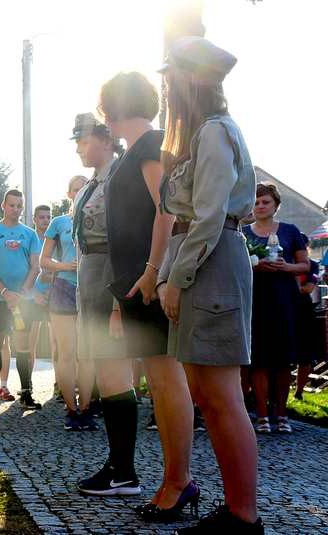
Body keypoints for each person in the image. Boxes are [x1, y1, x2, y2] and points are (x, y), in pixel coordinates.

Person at [156, 36, 263, 533]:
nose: (165, 86)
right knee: (205, 392)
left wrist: (176, 280)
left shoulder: (216, 132)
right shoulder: (199, 134)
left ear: (192, 79)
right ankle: (236, 512)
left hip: (211, 263)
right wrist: (170, 276)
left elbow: (210, 216)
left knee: (221, 397)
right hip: (199, 262)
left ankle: (244, 517)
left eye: (171, 76)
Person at [94, 71, 196, 517]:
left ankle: (179, 483)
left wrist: (153, 272)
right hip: (135, 283)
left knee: (166, 380)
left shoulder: (151, 144)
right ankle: (173, 482)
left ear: (114, 108)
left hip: (148, 281)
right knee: (157, 382)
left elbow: (165, 211)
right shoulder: (136, 149)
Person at [66, 112, 141, 496]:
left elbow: (123, 242)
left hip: (111, 282)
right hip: (91, 281)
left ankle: (123, 471)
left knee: (115, 376)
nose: (79, 148)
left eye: (84, 140)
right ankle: (117, 466)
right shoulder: (93, 183)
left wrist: (116, 305)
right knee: (107, 376)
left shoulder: (120, 178)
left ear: (106, 139)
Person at [242, 183, 309, 434]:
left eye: (265, 202)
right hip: (255, 301)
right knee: (258, 359)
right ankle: (262, 415)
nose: (260, 206)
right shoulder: (242, 233)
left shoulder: (290, 231)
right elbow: (235, 266)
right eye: (256, 202)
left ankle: (282, 414)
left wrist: (286, 267)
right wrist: (254, 266)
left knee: (283, 360)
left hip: (284, 301)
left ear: (276, 205)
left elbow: (305, 265)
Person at [41, 175, 97, 431]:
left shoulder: (98, 218)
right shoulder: (59, 222)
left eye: (84, 187)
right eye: (75, 189)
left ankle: (86, 409)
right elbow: (44, 260)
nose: (80, 191)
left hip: (91, 287)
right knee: (66, 352)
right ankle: (71, 410)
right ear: (69, 194)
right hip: (64, 287)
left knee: (87, 352)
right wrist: (65, 266)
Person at [0, 190, 43, 410]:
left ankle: (26, 393)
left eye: (19, 206)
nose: (16, 209)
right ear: (3, 205)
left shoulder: (30, 234)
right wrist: (5, 293)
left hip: (22, 301)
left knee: (22, 345)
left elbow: (35, 267)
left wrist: (20, 293)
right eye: (11, 205)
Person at [27, 205, 53, 386]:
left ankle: (60, 386)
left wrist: (52, 289)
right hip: (32, 298)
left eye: (48, 217)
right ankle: (27, 385)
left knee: (57, 343)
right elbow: (24, 270)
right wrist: (34, 293)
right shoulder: (29, 238)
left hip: (54, 296)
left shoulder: (56, 239)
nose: (46, 220)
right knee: (29, 344)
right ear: (34, 219)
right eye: (42, 217)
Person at [294, 242, 322, 400]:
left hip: (304, 310)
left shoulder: (313, 265)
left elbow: (309, 288)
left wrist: (292, 287)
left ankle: (299, 391)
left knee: (305, 353)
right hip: (283, 307)